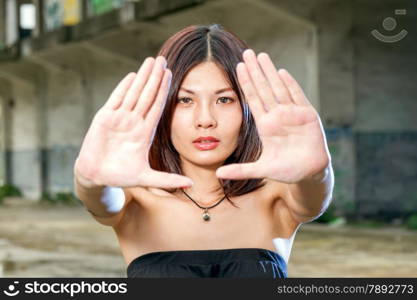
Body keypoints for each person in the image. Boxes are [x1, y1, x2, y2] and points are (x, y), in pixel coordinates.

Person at [73, 24, 334, 278]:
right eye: (185, 100)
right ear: (162, 107)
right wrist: (89, 181)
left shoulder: (277, 194)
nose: (205, 119)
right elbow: (100, 200)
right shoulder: (134, 200)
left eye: (224, 99)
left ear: (247, 109)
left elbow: (312, 198)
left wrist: (317, 174)